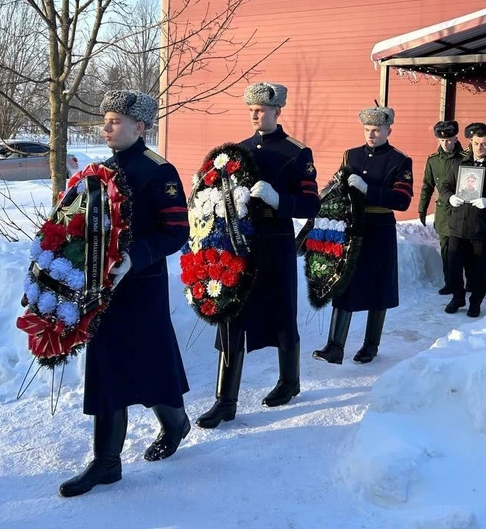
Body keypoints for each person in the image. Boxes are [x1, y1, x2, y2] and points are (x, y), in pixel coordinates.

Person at [59, 90, 192, 497]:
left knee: (149, 367)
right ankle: (107, 463)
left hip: (142, 287)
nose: (107, 126)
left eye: (116, 120)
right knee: (106, 367)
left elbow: (176, 232)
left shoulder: (159, 171)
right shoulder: (100, 171)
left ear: (140, 126)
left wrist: (135, 257)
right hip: (103, 290)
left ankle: (175, 423)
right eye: (106, 120)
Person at [196, 83, 319, 429]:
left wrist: (281, 200)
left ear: (278, 111)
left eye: (262, 109)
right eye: (251, 108)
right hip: (240, 242)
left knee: (281, 311)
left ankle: (289, 381)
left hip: (276, 238)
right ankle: (225, 401)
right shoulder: (236, 152)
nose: (255, 113)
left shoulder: (297, 152)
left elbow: (311, 203)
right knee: (231, 312)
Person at [313, 106, 413, 365]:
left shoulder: (400, 160)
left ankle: (371, 345)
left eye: (377, 129)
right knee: (344, 283)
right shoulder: (351, 155)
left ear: (388, 130)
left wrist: (370, 190)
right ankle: (335, 346)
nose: (371, 134)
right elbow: (336, 184)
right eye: (368, 129)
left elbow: (402, 200)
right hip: (352, 226)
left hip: (380, 228)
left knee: (378, 287)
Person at [439, 129, 486, 317]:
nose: (480, 147)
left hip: (481, 226)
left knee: (479, 268)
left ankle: (475, 302)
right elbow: (446, 186)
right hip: (457, 224)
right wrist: (450, 197)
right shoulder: (459, 164)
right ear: (471, 143)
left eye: (485, 144)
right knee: (454, 265)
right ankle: (457, 297)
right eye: (476, 143)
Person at [418, 120, 463, 295]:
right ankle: (450, 282)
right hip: (444, 211)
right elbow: (427, 186)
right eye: (443, 140)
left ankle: (467, 282)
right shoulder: (433, 160)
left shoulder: (465, 157)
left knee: (462, 249)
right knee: (446, 250)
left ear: (455, 138)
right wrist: (422, 208)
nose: (446, 143)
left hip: (462, 210)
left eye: (449, 139)